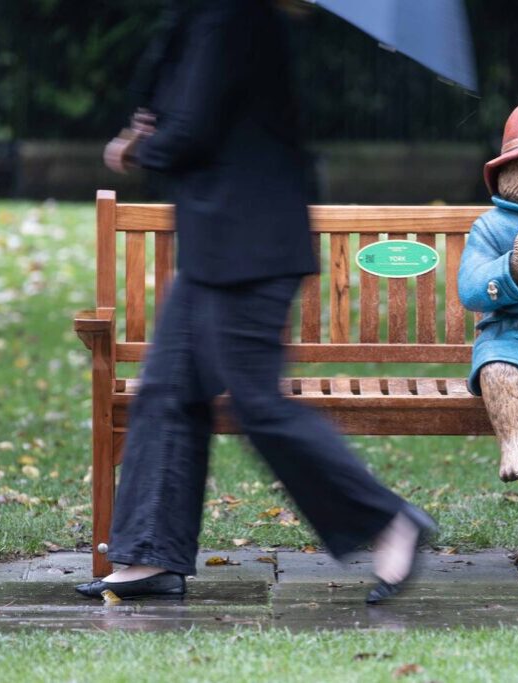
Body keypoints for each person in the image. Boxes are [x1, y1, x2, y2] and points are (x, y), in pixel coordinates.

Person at [77, 0, 434, 605]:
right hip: (222, 242)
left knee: (257, 403)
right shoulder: (210, 18)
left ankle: (388, 520)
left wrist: (137, 151)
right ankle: (149, 558)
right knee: (168, 390)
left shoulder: (232, 16)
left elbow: (193, 131)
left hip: (249, 244)